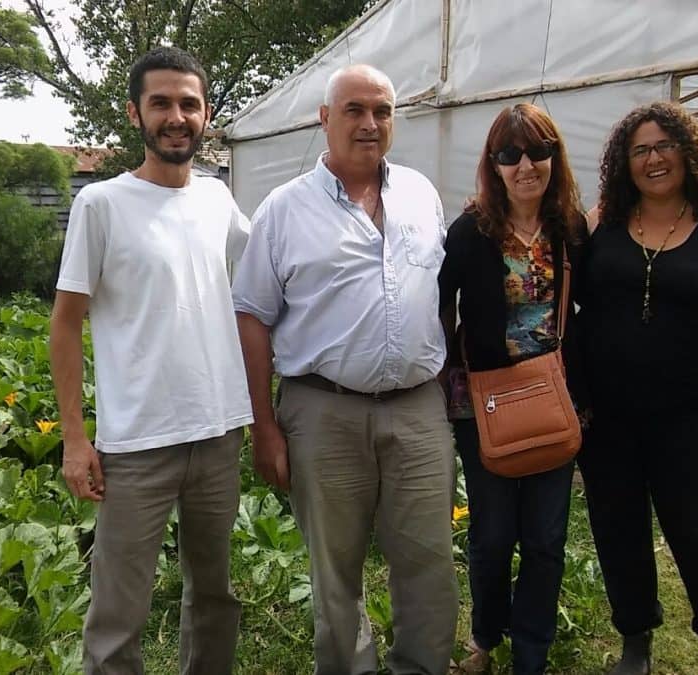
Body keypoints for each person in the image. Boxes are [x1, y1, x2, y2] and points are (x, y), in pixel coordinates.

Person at [232, 64, 458, 675]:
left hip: (416, 408)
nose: (370, 123)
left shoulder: (420, 193)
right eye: (354, 110)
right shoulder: (283, 210)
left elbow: (439, 296)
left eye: (382, 111)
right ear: (324, 119)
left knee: (429, 560)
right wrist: (264, 426)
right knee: (335, 569)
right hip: (322, 409)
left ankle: (420, 666)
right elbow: (250, 315)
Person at [49, 46, 252, 675]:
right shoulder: (102, 204)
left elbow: (259, 282)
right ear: (137, 113)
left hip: (217, 433)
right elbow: (64, 324)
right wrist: (75, 439)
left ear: (207, 114)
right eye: (161, 102)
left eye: (188, 104)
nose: (176, 116)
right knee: (118, 611)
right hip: (136, 443)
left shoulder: (219, 200)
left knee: (214, 596)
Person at [577, 101, 698, 675]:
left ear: (688, 152)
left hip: (688, 417)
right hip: (607, 418)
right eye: (640, 150)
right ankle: (635, 641)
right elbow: (552, 281)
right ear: (624, 162)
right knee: (618, 531)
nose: (653, 159)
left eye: (664, 146)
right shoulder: (602, 221)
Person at [437, 103, 589, 675]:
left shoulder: (570, 229)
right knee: (494, 536)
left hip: (552, 398)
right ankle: (486, 636)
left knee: (547, 539)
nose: (525, 165)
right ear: (494, 165)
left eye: (537, 151)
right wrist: (449, 377)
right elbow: (439, 305)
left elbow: (592, 306)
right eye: (510, 154)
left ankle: (532, 652)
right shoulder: (470, 231)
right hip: (485, 404)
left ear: (554, 157)